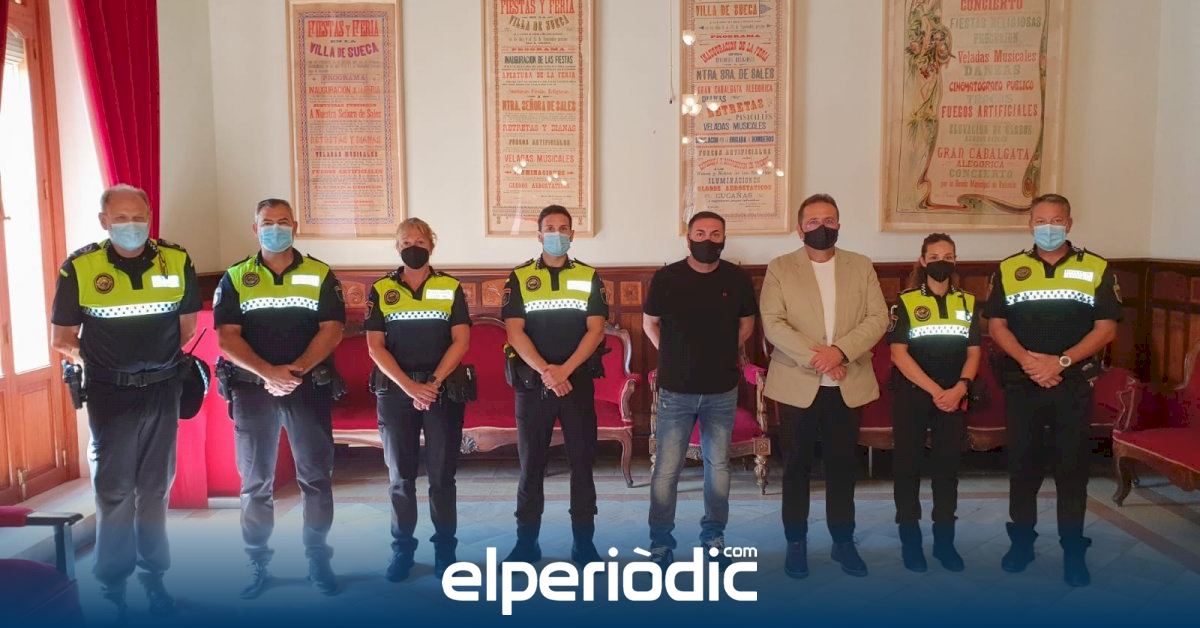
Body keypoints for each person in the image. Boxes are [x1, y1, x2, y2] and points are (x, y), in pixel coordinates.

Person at [50, 184, 201, 618]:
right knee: (114, 490)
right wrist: (105, 361)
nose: (131, 225)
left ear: (149, 216)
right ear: (104, 221)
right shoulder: (80, 267)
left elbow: (186, 327)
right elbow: (62, 339)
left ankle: (155, 581)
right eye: (121, 218)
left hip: (163, 387)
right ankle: (112, 586)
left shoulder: (176, 260)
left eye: (138, 217)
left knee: (155, 488)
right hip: (109, 392)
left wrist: (149, 360)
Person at [985, 193, 1121, 587]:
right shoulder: (1009, 268)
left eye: (1056, 220)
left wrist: (1059, 362)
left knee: (1072, 468)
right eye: (1041, 221)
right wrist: (1030, 362)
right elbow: (996, 325)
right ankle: (1021, 543)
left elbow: (1106, 328)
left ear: (1069, 223)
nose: (1048, 228)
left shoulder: (1095, 267)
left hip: (1072, 383)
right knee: (1022, 466)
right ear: (1030, 225)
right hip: (1022, 383)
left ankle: (1073, 549)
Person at [214, 198, 345, 598]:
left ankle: (318, 560)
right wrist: (268, 373)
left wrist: (296, 371)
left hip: (307, 387)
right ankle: (257, 563)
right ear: (255, 229)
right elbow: (226, 338)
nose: (275, 228)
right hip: (252, 390)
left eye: (283, 222)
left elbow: (332, 329)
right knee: (256, 482)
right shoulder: (236, 277)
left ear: (295, 226)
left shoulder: (319, 273)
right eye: (267, 223)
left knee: (316, 478)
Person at [759, 193, 889, 579]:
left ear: (839, 225)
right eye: (813, 221)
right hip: (797, 382)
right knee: (796, 466)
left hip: (847, 380)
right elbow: (773, 322)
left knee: (842, 466)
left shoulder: (860, 265)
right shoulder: (781, 268)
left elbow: (877, 317)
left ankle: (843, 542)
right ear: (800, 229)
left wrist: (840, 353)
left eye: (829, 220)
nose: (822, 227)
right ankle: (796, 542)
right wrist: (820, 358)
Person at [643, 211, 757, 567]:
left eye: (716, 233)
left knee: (718, 466)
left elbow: (747, 323)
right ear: (688, 238)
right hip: (676, 390)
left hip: (721, 389)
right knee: (667, 469)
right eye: (701, 233)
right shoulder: (666, 277)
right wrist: (672, 355)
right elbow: (649, 323)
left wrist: (722, 352)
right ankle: (661, 541)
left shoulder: (737, 278)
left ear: (724, 238)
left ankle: (713, 536)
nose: (708, 239)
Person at [364, 218, 471, 581]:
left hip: (442, 390)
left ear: (431, 245)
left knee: (442, 477)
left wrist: (432, 383)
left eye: (420, 241)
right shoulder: (381, 289)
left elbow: (461, 341)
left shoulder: (450, 286)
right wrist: (410, 386)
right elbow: (375, 346)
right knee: (400, 477)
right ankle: (402, 551)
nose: (414, 246)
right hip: (396, 391)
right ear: (397, 247)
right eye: (407, 242)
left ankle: (445, 551)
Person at [500, 205, 608, 565]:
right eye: (550, 228)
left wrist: (565, 371)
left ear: (573, 235)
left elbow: (596, 330)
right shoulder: (519, 277)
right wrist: (548, 371)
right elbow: (515, 332)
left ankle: (584, 544)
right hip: (533, 385)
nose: (557, 234)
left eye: (563, 228)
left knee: (582, 465)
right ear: (539, 234)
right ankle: (526, 544)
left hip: (577, 384)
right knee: (531, 467)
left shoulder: (589, 276)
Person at [888, 233, 980, 572]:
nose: (943, 261)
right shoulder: (905, 302)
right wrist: (935, 391)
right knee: (907, 467)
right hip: (913, 393)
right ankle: (910, 543)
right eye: (935, 256)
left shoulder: (969, 302)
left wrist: (959, 388)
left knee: (947, 469)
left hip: (954, 395)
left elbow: (974, 353)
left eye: (949, 256)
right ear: (923, 261)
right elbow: (898, 354)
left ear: (955, 261)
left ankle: (945, 543)